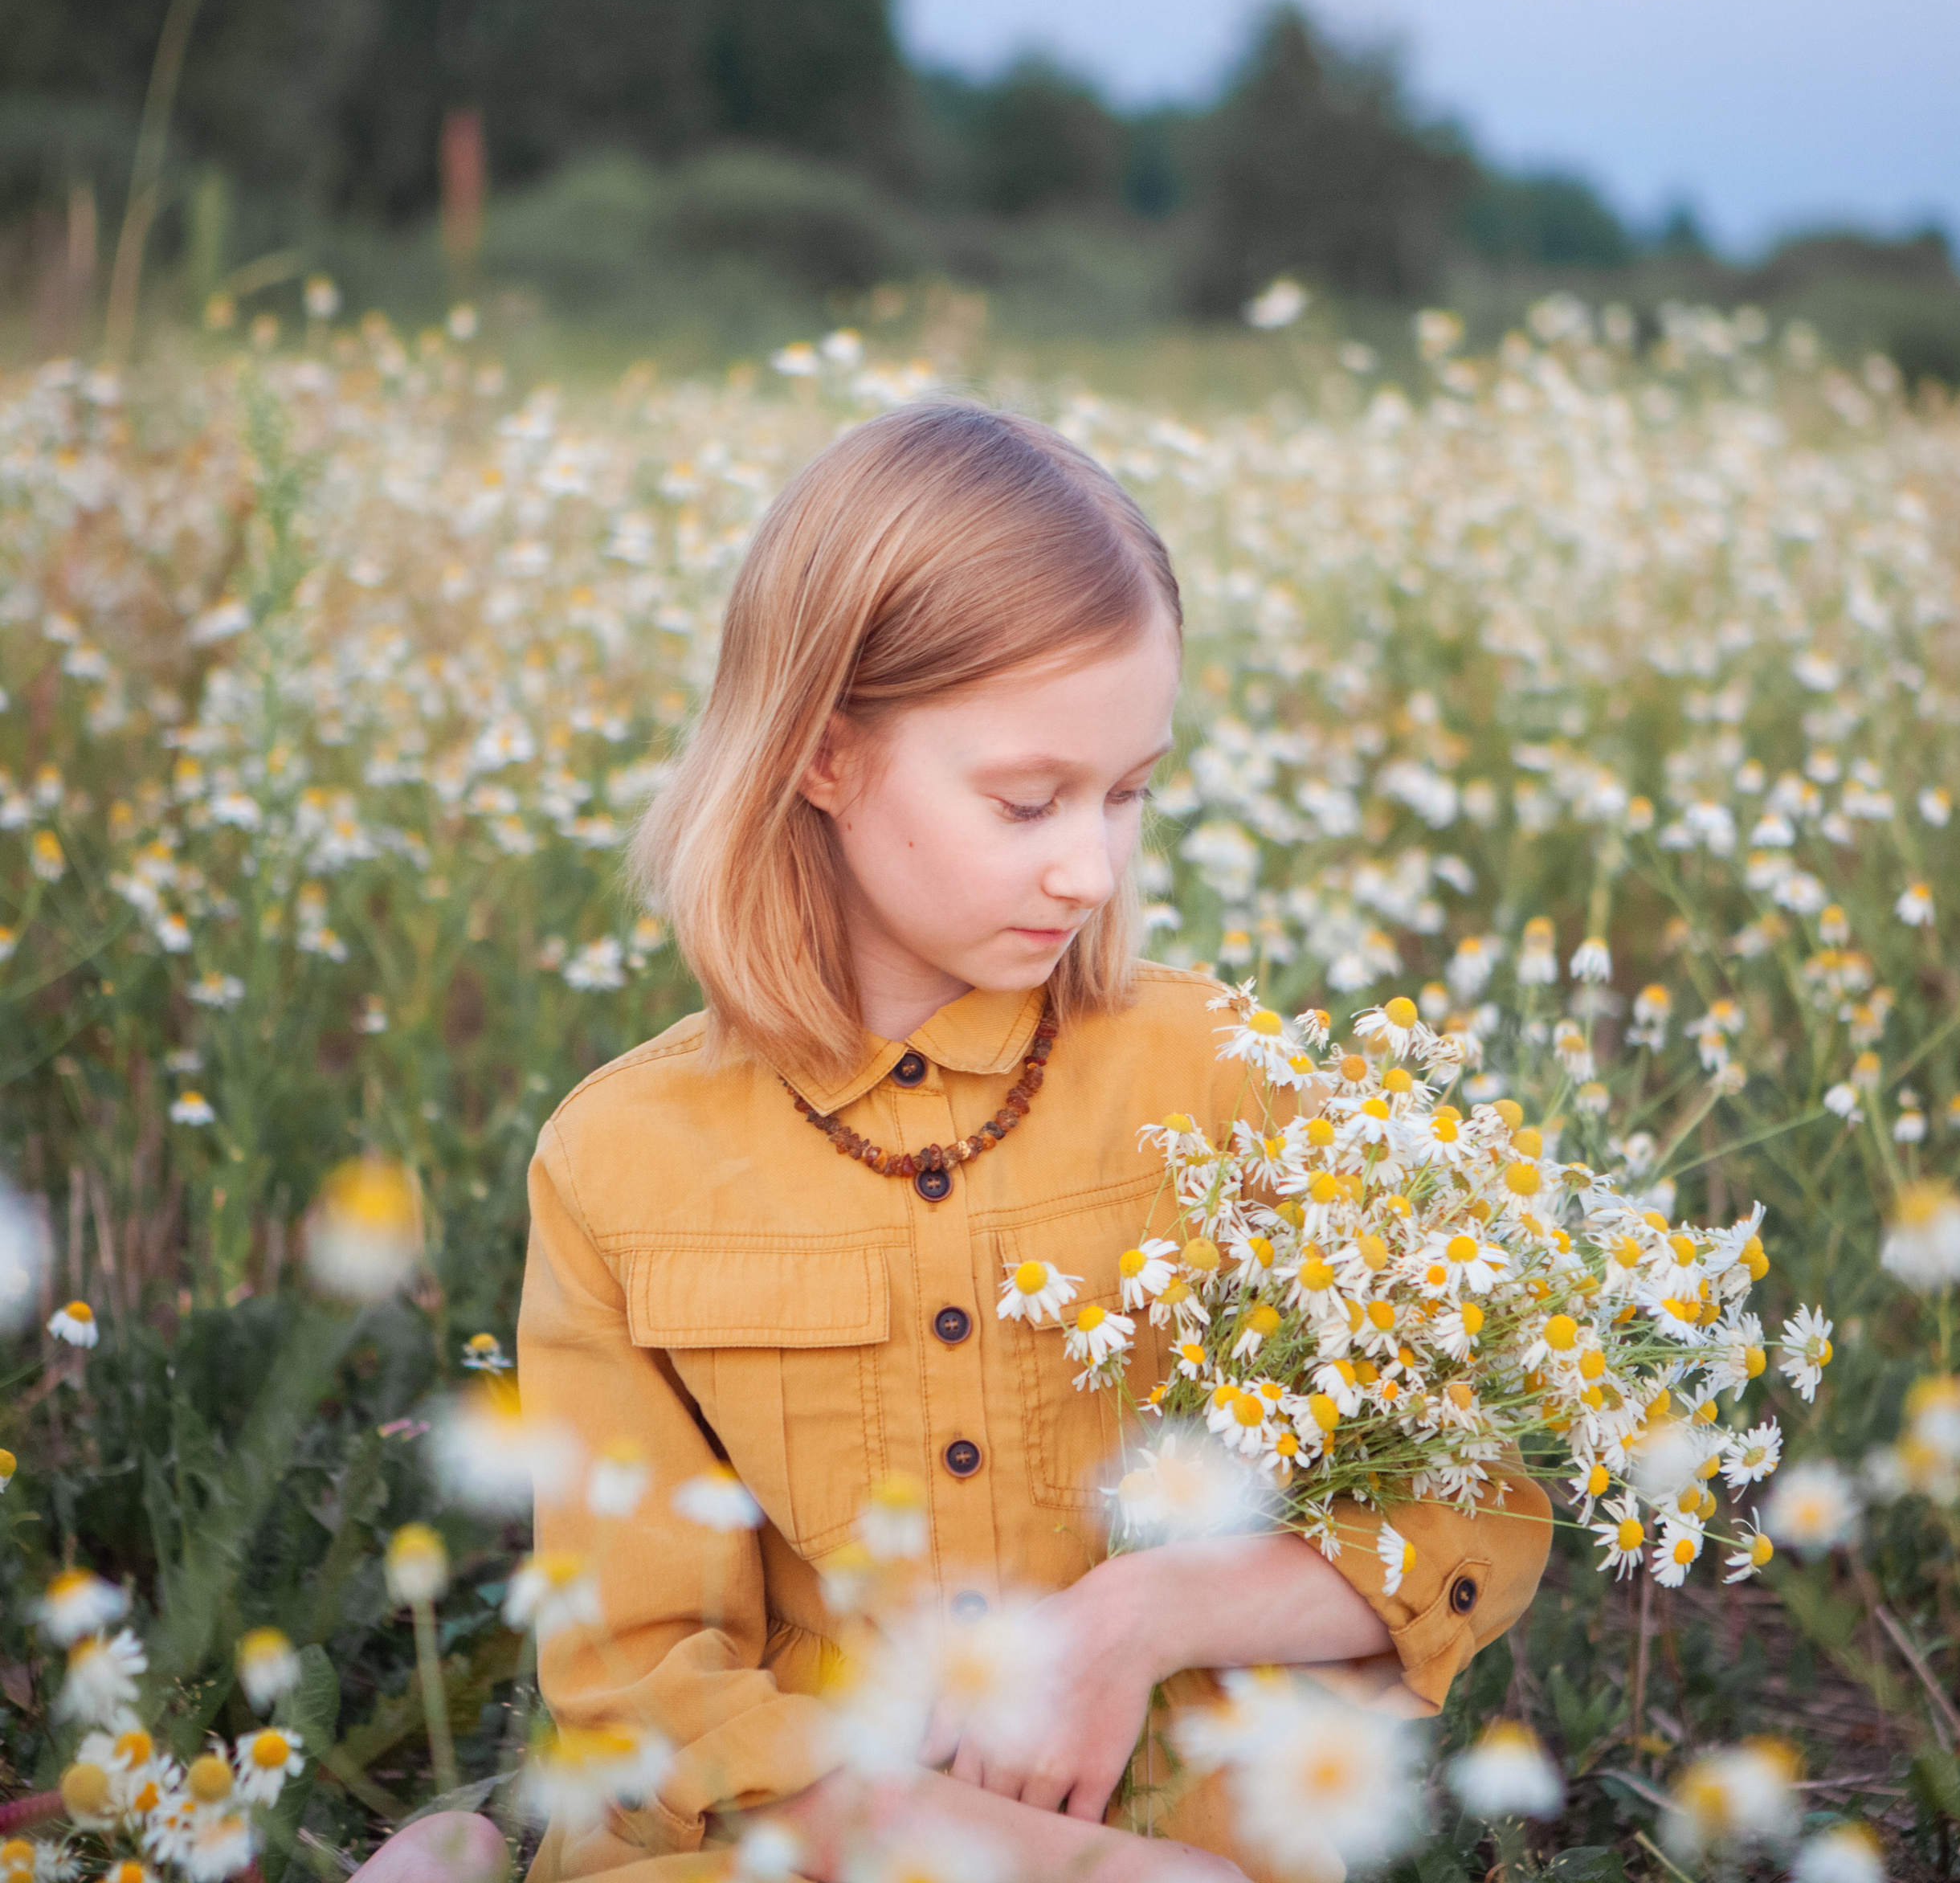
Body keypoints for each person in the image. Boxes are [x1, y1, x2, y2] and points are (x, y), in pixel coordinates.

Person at [362, 400, 1550, 1883]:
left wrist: (1142, 1616)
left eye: (1130, 794)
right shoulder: (618, 1162)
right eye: (1027, 798)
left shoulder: (1235, 1083)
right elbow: (642, 1683)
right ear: (823, 757)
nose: (1089, 865)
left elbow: (1473, 1506)